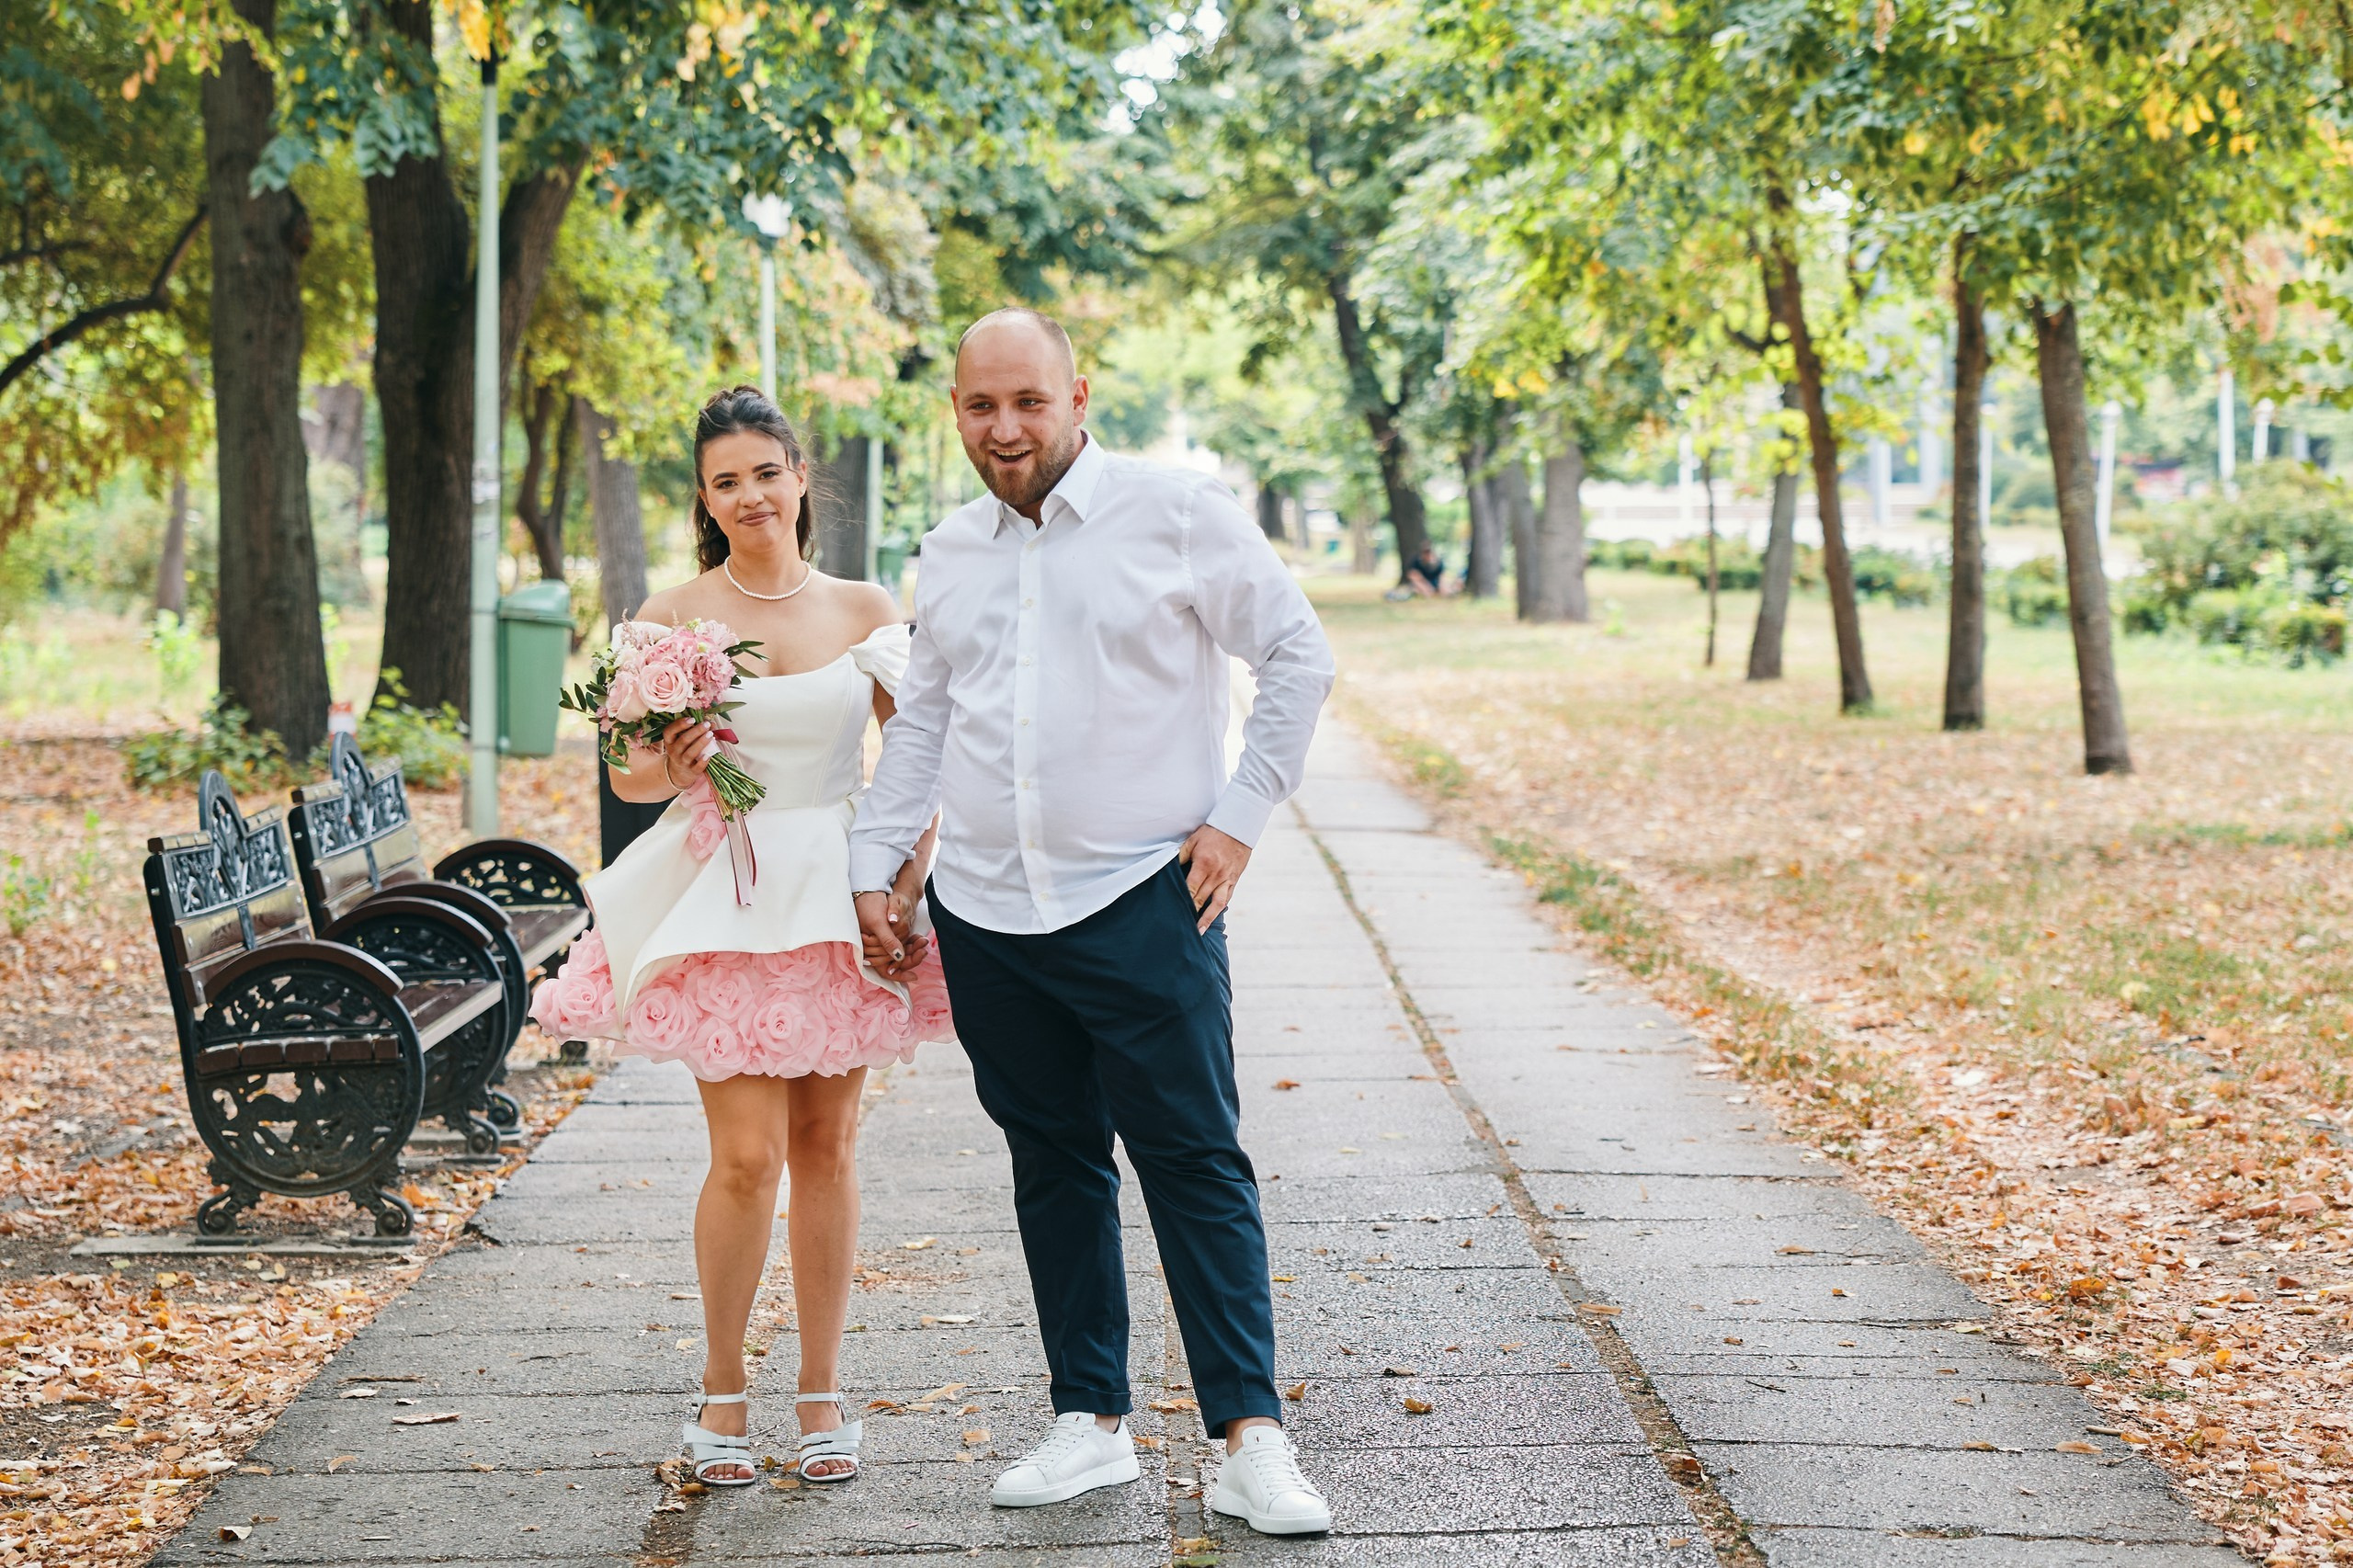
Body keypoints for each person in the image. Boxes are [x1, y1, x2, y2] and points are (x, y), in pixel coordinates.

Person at [849, 309, 1338, 1536]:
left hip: (1141, 899)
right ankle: (1091, 1420)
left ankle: (1251, 1438)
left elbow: (1296, 653)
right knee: (1053, 1159)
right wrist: (878, 862)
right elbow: (926, 717)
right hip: (989, 913)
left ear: (1079, 397)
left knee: (1194, 1158)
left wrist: (1237, 817)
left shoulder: (1176, 514)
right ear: (956, 411)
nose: (1005, 428)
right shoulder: (950, 550)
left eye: (1029, 401)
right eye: (981, 406)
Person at [529, 386, 953, 1488]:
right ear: (706, 500)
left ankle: (820, 1393)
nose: (751, 495)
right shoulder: (671, 612)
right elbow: (627, 772)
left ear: (801, 477)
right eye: (727, 481)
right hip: (727, 888)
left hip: (840, 892)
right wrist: (669, 760)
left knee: (828, 1146)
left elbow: (914, 767)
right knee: (748, 1154)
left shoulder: (864, 607)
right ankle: (722, 1390)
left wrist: (907, 885)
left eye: (766, 472)